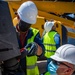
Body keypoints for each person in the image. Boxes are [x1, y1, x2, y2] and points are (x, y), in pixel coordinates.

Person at [14, 1, 44, 75]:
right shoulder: (10, 33)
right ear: (18, 17)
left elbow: (42, 52)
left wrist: (37, 47)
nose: (27, 26)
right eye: (24, 23)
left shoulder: (34, 33)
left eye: (29, 24)